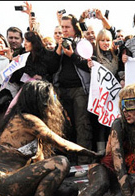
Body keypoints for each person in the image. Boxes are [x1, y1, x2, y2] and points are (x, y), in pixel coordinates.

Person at [52, 14, 93, 165]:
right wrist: (58, 49)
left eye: (67, 27)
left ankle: (84, 161)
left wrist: (72, 55)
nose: (64, 30)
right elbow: (51, 67)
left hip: (79, 90)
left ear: (75, 28)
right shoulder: (58, 44)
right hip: (61, 91)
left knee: (82, 126)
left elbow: (88, 65)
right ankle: (68, 162)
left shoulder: (82, 43)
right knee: (65, 127)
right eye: (62, 27)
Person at [87, 28, 119, 152]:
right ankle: (101, 152)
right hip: (100, 96)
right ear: (98, 42)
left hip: (113, 96)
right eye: (102, 40)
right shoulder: (94, 58)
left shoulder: (116, 56)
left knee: (111, 124)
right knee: (100, 125)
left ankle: (112, 151)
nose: (105, 43)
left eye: (108, 40)